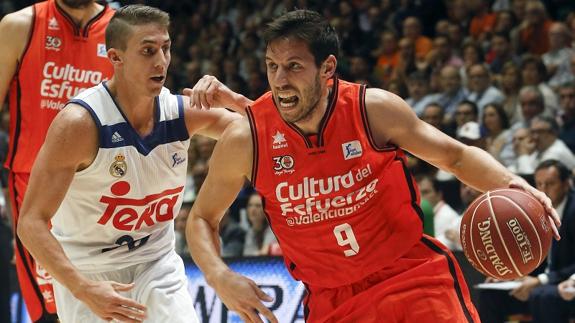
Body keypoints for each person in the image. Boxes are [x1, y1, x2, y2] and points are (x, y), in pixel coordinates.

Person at [186, 10, 560, 323]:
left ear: (327, 67)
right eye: (272, 66)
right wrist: (219, 276)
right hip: (332, 299)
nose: (280, 79)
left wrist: (511, 182)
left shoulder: (372, 109)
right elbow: (201, 218)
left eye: (293, 66)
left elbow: (456, 156)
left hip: (411, 276)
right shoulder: (247, 138)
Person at [16, 5, 246, 323]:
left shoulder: (180, 114)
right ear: (116, 57)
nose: (161, 61)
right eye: (148, 51)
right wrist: (82, 288)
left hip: (156, 262)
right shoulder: (80, 124)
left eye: (165, 48)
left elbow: (260, 135)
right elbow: (30, 223)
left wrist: (236, 100)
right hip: (89, 271)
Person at [0, 1, 115, 321]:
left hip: (102, 188)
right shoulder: (19, 25)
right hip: (36, 187)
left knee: (109, 306)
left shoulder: (123, 30)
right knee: (52, 312)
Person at [479, 160, 575, 323]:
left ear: (566, 184)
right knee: (491, 294)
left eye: (550, 184)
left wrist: (540, 281)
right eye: (539, 184)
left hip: (564, 283)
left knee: (542, 295)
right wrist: (513, 274)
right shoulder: (532, 210)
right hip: (541, 280)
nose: (544, 190)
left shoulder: (573, 211)